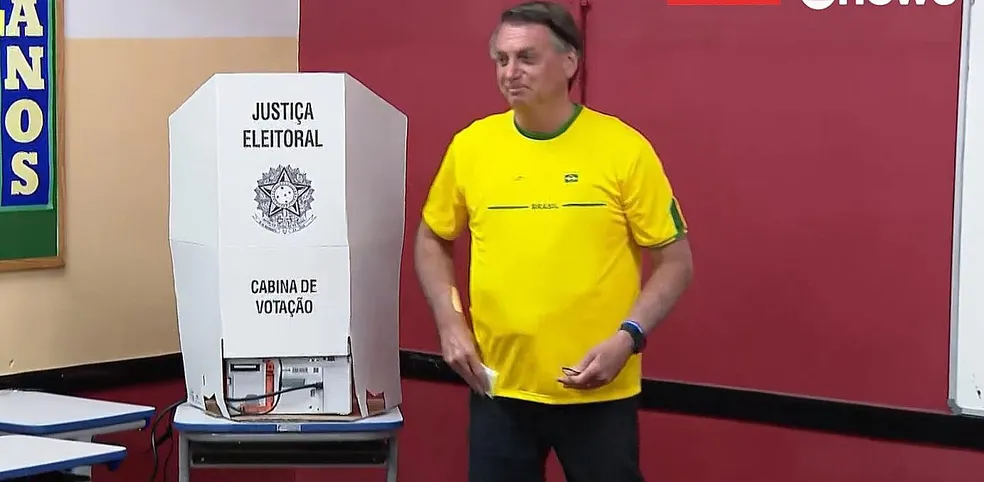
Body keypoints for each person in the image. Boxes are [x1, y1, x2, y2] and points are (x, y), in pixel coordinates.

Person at [413, 1, 694, 481]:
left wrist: (629, 337)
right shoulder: (471, 147)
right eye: (502, 59)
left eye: (526, 57)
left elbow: (676, 262)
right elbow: (431, 239)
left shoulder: (623, 149)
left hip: (597, 393)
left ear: (569, 62)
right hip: (498, 391)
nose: (510, 72)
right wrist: (450, 321)